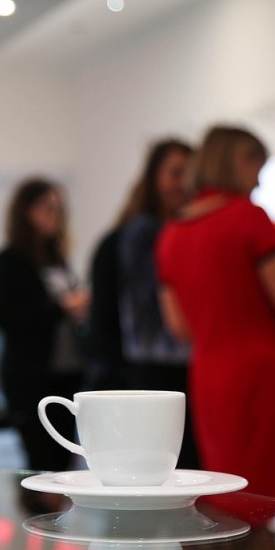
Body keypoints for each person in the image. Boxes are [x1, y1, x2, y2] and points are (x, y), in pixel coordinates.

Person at [157, 125, 275, 503]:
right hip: (263, 374)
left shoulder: (171, 235)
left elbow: (179, 327)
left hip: (209, 376)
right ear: (241, 160)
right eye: (258, 166)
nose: (258, 181)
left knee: (230, 493)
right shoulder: (247, 218)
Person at [85, 138, 200, 469]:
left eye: (190, 173)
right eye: (175, 172)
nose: (184, 183)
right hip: (147, 378)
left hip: (175, 372)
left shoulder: (176, 232)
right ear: (153, 177)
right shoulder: (138, 236)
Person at [0, 177, 90, 473]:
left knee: (65, 459)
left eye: (59, 208)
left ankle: (59, 517)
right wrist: (63, 307)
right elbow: (7, 319)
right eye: (48, 207)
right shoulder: (9, 261)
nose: (55, 216)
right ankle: (37, 515)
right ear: (25, 212)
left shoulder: (57, 257)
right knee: (41, 460)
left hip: (68, 370)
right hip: (31, 375)